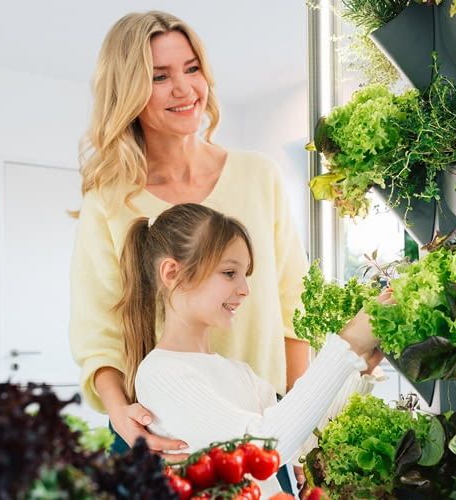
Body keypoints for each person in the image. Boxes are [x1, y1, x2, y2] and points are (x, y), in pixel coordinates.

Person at [69, 9, 318, 482]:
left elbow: (293, 305)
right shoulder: (108, 199)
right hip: (164, 438)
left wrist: (299, 424)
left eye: (192, 68)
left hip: (261, 433)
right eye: (159, 77)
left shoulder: (257, 176)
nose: (184, 89)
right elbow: (97, 334)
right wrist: (124, 418)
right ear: (128, 91)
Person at [117, 203, 388, 497]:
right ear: (172, 273)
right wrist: (347, 344)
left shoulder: (238, 372)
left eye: (244, 274)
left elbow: (306, 444)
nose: (245, 288)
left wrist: (361, 367)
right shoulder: (161, 374)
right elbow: (259, 454)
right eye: (230, 272)